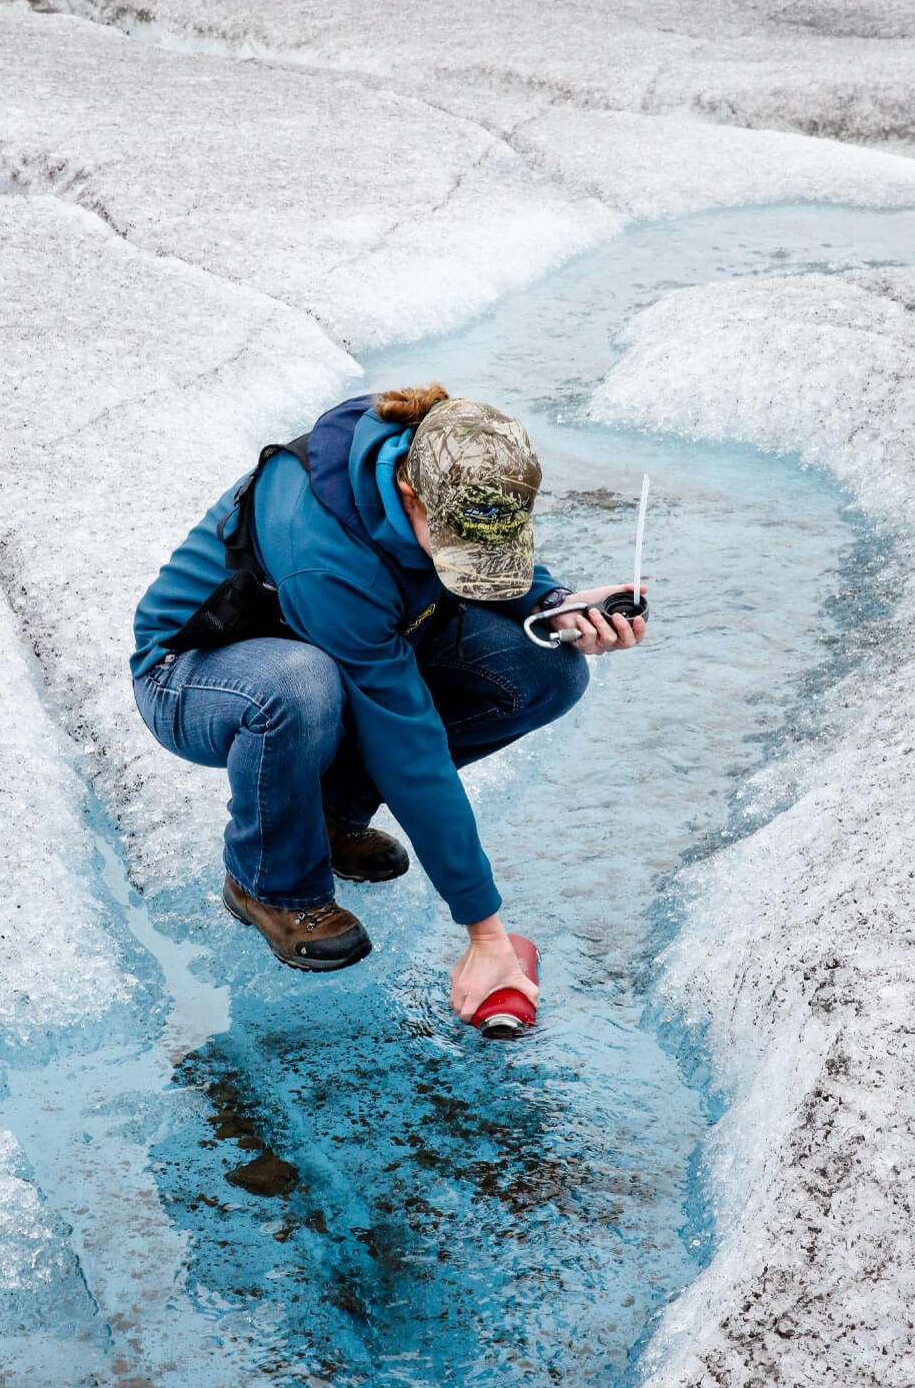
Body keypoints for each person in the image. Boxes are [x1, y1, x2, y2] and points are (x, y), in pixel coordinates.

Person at [131, 386, 646, 1023]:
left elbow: (490, 548)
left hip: (343, 645)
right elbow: (409, 744)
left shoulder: (449, 448)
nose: (471, 559)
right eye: (456, 545)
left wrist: (554, 605)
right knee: (300, 685)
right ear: (410, 496)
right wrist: (485, 933)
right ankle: (269, 879)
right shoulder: (325, 554)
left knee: (545, 669)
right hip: (198, 674)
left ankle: (328, 817)